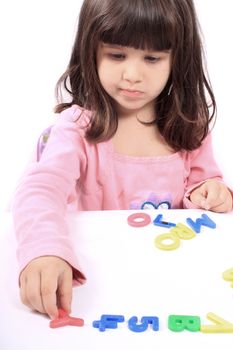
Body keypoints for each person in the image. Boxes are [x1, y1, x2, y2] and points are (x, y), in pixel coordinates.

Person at [12, 0, 233, 320]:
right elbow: (40, 189)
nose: (132, 74)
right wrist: (44, 249)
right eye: (116, 55)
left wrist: (211, 191)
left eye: (152, 58)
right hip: (101, 281)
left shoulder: (188, 124)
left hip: (170, 283)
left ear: (178, 59)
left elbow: (205, 182)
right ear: (91, 51)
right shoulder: (76, 129)